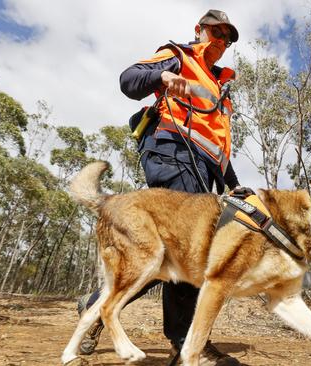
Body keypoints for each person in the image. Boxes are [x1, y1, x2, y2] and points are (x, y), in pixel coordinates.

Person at [76, 9, 242, 366]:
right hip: (172, 155)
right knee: (188, 254)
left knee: (173, 259)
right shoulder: (178, 56)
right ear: (200, 30)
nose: (221, 42)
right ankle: (185, 346)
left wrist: (236, 188)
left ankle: (95, 307)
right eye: (217, 33)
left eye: (227, 38)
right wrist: (164, 76)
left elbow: (219, 149)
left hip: (205, 174)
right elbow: (129, 80)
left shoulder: (221, 91)